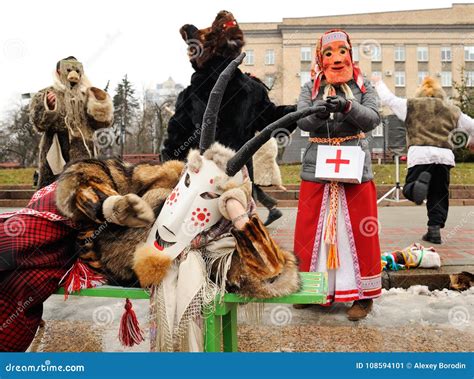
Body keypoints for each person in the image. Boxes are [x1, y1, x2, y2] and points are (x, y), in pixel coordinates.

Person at [161, 10, 296, 226]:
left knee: (195, 245)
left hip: (197, 186)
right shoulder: (252, 90)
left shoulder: (191, 94)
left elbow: (174, 143)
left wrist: (167, 177)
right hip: (238, 184)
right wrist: (299, 110)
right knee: (239, 243)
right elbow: (273, 120)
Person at [293, 29, 382, 321]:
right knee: (311, 230)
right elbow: (301, 120)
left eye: (341, 51)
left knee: (357, 231)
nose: (336, 59)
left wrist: (347, 106)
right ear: (321, 58)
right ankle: (311, 289)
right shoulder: (310, 87)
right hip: (318, 168)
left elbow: (372, 119)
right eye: (328, 53)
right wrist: (319, 112)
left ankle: (363, 295)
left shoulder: (364, 85)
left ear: (350, 54)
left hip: (354, 166)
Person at [373, 75, 474, 244]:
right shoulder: (452, 110)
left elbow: (389, 99)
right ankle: (434, 231)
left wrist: (378, 82)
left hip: (420, 155)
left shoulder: (411, 105)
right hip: (444, 156)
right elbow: (472, 125)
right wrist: (471, 142)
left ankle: (417, 187)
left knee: (409, 190)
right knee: (439, 194)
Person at [29, 56, 113, 188]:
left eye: (77, 70)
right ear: (58, 72)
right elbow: (39, 124)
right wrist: (49, 107)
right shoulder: (46, 94)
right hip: (57, 152)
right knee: (52, 196)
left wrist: (100, 105)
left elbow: (103, 124)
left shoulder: (89, 94)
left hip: (85, 152)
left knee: (85, 195)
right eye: (68, 70)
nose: (73, 74)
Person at [253, 137, 287, 225]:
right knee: (250, 183)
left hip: (259, 145)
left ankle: (251, 217)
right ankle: (271, 207)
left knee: (248, 182)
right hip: (260, 144)